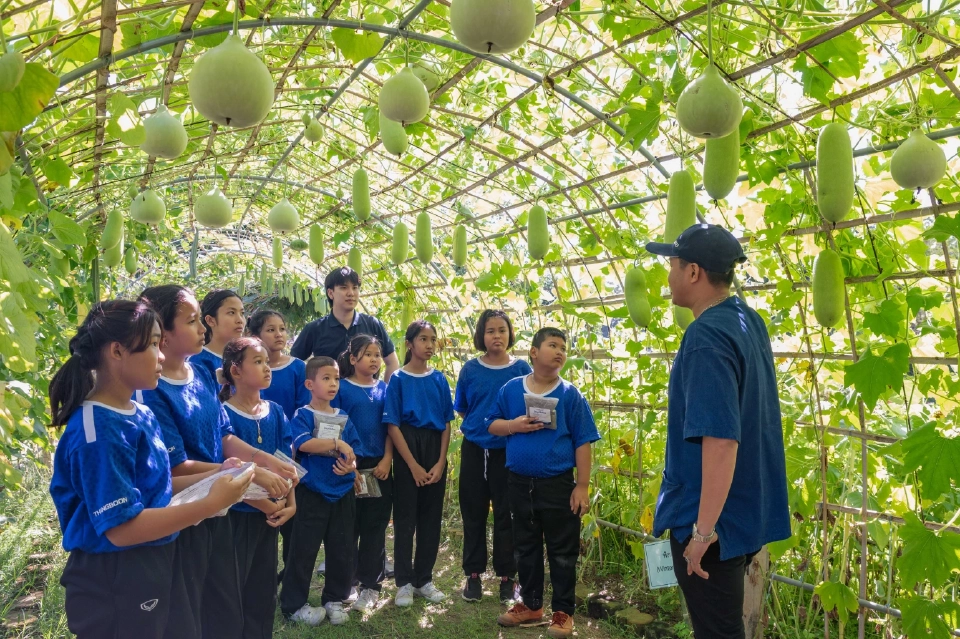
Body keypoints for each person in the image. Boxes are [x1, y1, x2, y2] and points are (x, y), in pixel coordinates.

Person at [48, 300, 253, 639]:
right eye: (154, 344)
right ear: (117, 351)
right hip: (115, 574)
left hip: (155, 557)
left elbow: (156, 485)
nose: (161, 356)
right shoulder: (97, 430)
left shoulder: (138, 413)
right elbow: (122, 529)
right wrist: (209, 503)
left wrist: (217, 475)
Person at [645, 224, 791, 639]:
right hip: (744, 515)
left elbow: (722, 440)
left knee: (718, 632)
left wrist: (702, 533)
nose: (668, 276)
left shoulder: (705, 336)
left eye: (671, 265)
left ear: (693, 272)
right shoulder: (746, 318)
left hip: (712, 525)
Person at [137, 285, 298, 639]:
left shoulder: (202, 376)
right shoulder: (152, 390)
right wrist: (253, 472)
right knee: (191, 615)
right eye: (193, 321)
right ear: (162, 333)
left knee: (226, 608)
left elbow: (224, 438)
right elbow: (176, 469)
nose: (202, 330)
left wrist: (266, 459)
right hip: (184, 517)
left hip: (219, 508)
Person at [488, 327, 600, 639]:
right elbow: (492, 425)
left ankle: (563, 611)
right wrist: (514, 426)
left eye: (564, 347)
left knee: (563, 550)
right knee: (525, 546)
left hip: (558, 485)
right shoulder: (512, 390)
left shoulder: (570, 395)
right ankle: (531, 605)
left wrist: (582, 485)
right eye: (553, 344)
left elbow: (583, 441)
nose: (560, 350)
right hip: (519, 484)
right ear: (534, 353)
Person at [219, 337, 296, 639]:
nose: (267, 368)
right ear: (235, 370)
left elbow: (285, 461)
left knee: (264, 590)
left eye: (267, 362)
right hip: (237, 515)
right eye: (258, 362)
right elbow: (228, 467)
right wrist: (265, 503)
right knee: (233, 587)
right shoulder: (224, 413)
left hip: (272, 515)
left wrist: (291, 502)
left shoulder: (275, 411)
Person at [454, 310, 531, 603]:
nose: (496, 336)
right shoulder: (470, 370)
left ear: (510, 334)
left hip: (508, 451)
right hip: (475, 449)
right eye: (490, 331)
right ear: (481, 336)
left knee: (506, 515)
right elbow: (463, 408)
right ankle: (473, 576)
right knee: (472, 512)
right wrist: (480, 428)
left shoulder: (521, 368)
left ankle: (506, 578)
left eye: (502, 330)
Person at [280, 356, 360, 627]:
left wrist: (351, 467)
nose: (333, 384)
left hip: (342, 494)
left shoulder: (344, 418)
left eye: (336, 378)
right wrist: (338, 443)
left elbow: (354, 451)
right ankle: (294, 605)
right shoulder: (303, 415)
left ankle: (335, 599)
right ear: (309, 384)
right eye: (326, 378)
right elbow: (303, 445)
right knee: (302, 550)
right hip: (312, 494)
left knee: (342, 549)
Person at [384, 320, 453, 607]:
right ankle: (404, 582)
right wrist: (411, 464)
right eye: (423, 339)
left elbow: (447, 423)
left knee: (430, 518)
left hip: (434, 447)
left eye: (433, 339)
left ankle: (424, 578)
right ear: (409, 343)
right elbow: (392, 424)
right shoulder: (398, 379)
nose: (429, 344)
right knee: (405, 518)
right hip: (407, 448)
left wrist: (440, 462)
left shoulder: (439, 379)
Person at [333, 334, 393, 611]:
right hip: (349, 466)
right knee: (348, 527)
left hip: (379, 467)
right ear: (353, 358)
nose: (374, 359)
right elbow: (338, 426)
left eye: (377, 355)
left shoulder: (385, 389)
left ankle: (372, 585)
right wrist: (350, 466)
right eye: (367, 354)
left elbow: (391, 426)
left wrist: (387, 459)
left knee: (375, 527)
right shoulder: (342, 389)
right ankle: (349, 582)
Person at [291, 267, 399, 382]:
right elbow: (293, 365)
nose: (351, 293)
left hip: (367, 397)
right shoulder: (314, 329)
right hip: (329, 399)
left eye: (355, 288)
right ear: (330, 293)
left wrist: (387, 394)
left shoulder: (372, 324)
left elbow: (392, 362)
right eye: (344, 288)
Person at [247, 309, 311, 419]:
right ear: (255, 336)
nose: (279, 334)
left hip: (291, 433)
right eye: (271, 330)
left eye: (282, 329)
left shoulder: (298, 367)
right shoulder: (247, 367)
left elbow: (304, 408)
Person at [191, 289, 245, 387]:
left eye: (242, 313)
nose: (240, 320)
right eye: (231, 313)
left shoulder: (246, 358)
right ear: (210, 320)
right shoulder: (198, 362)